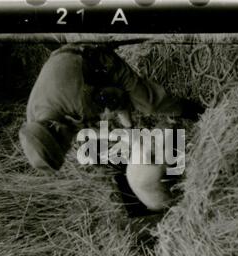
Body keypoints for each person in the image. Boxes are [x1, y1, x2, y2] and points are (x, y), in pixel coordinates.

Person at [19, 43, 205, 173]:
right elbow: (77, 127)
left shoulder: (81, 103)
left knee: (148, 104)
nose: (70, 146)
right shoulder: (34, 121)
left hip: (96, 60)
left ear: (55, 127)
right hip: (67, 65)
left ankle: (198, 112)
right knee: (95, 149)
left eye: (66, 145)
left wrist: (130, 131)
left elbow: (120, 99)